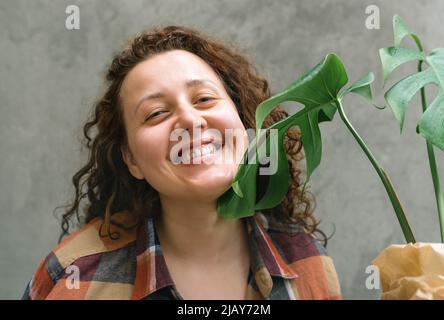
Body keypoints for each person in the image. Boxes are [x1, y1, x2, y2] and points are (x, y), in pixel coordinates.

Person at [22, 25, 341, 300]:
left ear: (245, 125)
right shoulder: (74, 275)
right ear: (132, 159)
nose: (190, 120)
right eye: (156, 113)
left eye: (204, 99)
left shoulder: (308, 261)